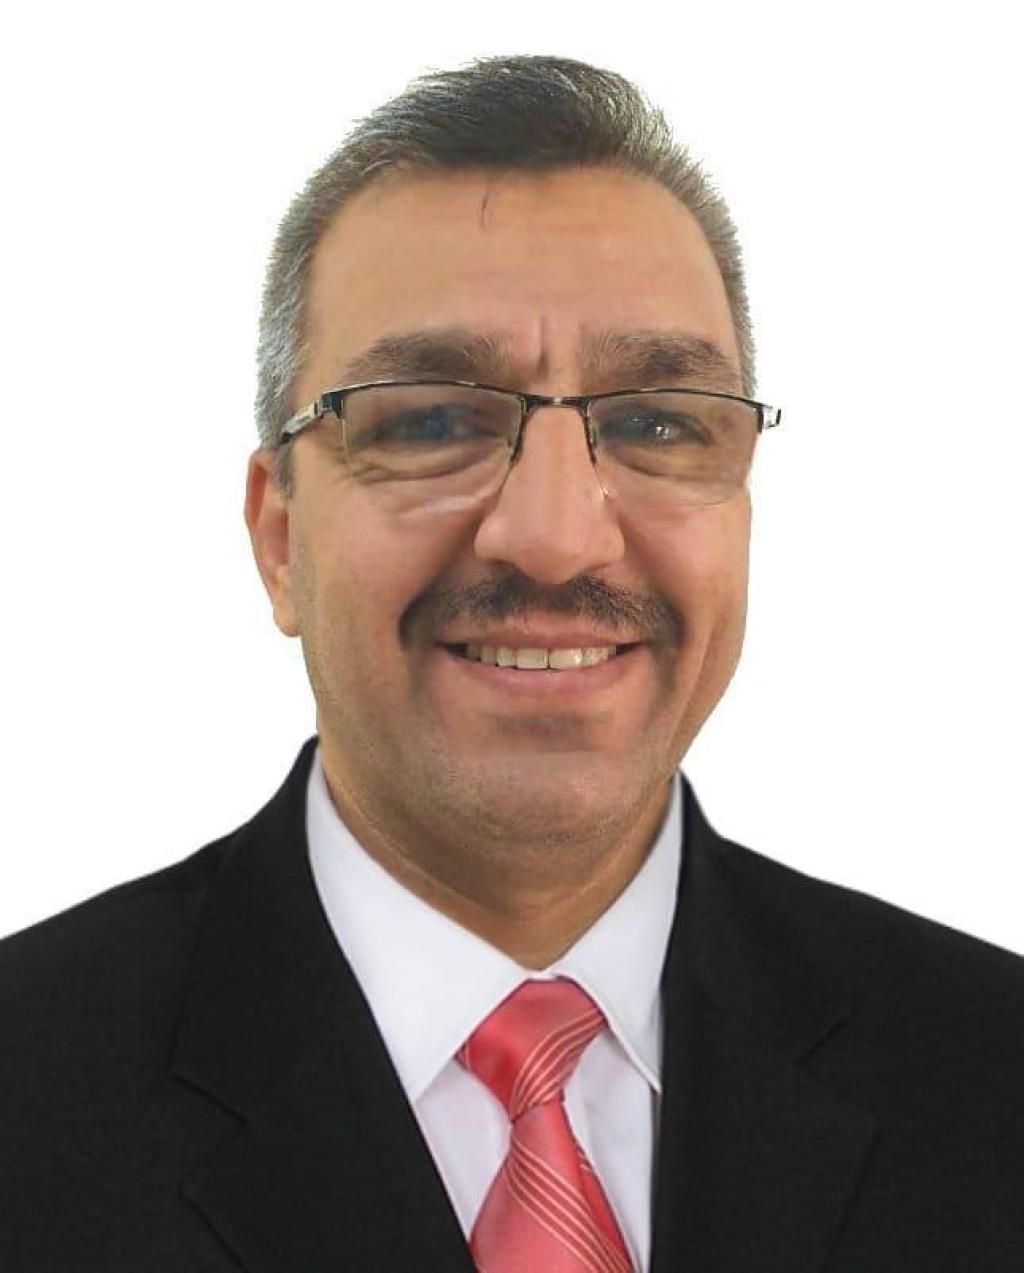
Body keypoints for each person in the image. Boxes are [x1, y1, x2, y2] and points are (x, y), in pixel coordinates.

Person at [1, 53, 1021, 1273]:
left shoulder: (992, 1077)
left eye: (656, 422)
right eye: (432, 419)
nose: (555, 537)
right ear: (279, 538)